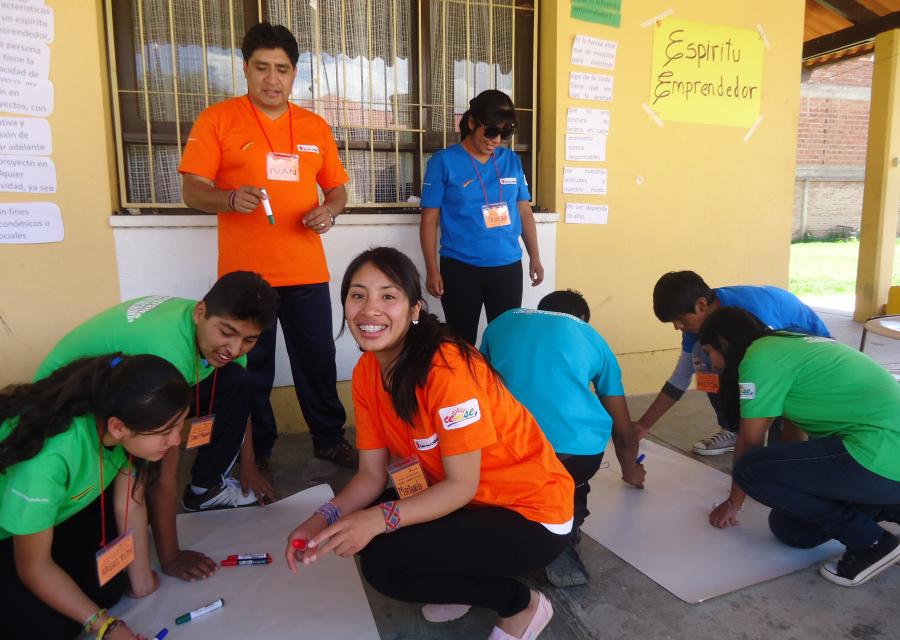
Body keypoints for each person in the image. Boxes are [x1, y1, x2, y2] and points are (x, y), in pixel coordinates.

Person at [285, 247, 573, 640]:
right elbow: (370, 475)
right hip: (470, 501)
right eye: (358, 295)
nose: (370, 310)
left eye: (388, 296)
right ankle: (458, 574)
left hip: (530, 512)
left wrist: (377, 520)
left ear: (415, 309)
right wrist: (319, 521)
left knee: (384, 562)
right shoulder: (368, 371)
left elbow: (462, 486)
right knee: (372, 515)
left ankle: (519, 605)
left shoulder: (446, 372)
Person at [180, 22, 357, 474]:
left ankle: (328, 438)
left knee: (317, 361)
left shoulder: (315, 126)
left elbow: (338, 191)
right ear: (245, 69)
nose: (272, 79)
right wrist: (228, 198)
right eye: (262, 68)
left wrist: (329, 211)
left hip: (306, 272)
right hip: (245, 280)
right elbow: (192, 190)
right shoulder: (218, 120)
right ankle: (256, 448)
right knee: (249, 370)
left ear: (295, 73)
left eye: (282, 69)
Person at [35, 271, 278, 582]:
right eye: (227, 333)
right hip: (66, 406)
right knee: (99, 572)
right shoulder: (167, 355)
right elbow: (165, 469)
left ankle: (204, 488)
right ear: (200, 313)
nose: (233, 348)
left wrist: (249, 464)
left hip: (125, 387)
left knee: (238, 381)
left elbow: (239, 401)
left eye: (249, 340)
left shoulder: (217, 333)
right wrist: (171, 556)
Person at [700, 307, 900, 587]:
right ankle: (891, 508)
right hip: (886, 464)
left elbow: (750, 441)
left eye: (709, 352)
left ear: (724, 342)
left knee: (749, 468)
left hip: (878, 453)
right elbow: (793, 435)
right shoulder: (791, 344)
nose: (713, 363)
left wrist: (734, 504)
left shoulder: (758, 358)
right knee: (792, 530)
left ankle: (871, 543)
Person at [1, 354, 190, 639]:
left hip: (59, 514)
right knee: (52, 628)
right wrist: (108, 628)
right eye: (166, 431)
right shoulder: (48, 459)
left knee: (109, 590)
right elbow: (34, 568)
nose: (177, 440)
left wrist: (143, 586)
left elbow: (129, 503)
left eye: (179, 426)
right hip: (10, 534)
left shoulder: (123, 420)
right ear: (118, 427)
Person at [480, 289, 645, 587]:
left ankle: (513, 524)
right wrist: (632, 471)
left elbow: (476, 383)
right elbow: (623, 430)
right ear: (580, 319)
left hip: (505, 452)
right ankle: (562, 532)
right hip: (573, 458)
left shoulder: (501, 323)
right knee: (570, 486)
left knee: (509, 490)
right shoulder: (592, 337)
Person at [637, 271, 831, 455]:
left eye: (679, 319)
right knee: (704, 359)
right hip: (771, 355)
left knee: (781, 446)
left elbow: (778, 367)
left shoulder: (752, 310)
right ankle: (732, 428)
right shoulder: (694, 327)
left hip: (809, 350)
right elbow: (681, 376)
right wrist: (643, 425)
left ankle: (776, 432)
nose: (677, 327)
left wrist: (760, 438)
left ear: (701, 305)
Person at [419, 89, 544, 345]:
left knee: (506, 340)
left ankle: (496, 387)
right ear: (472, 123)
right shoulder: (443, 162)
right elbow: (429, 219)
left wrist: (535, 257)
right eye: (490, 131)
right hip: (461, 269)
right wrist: (432, 269)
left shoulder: (511, 160)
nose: (496, 140)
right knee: (461, 342)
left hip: (507, 268)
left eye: (505, 133)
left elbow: (524, 212)